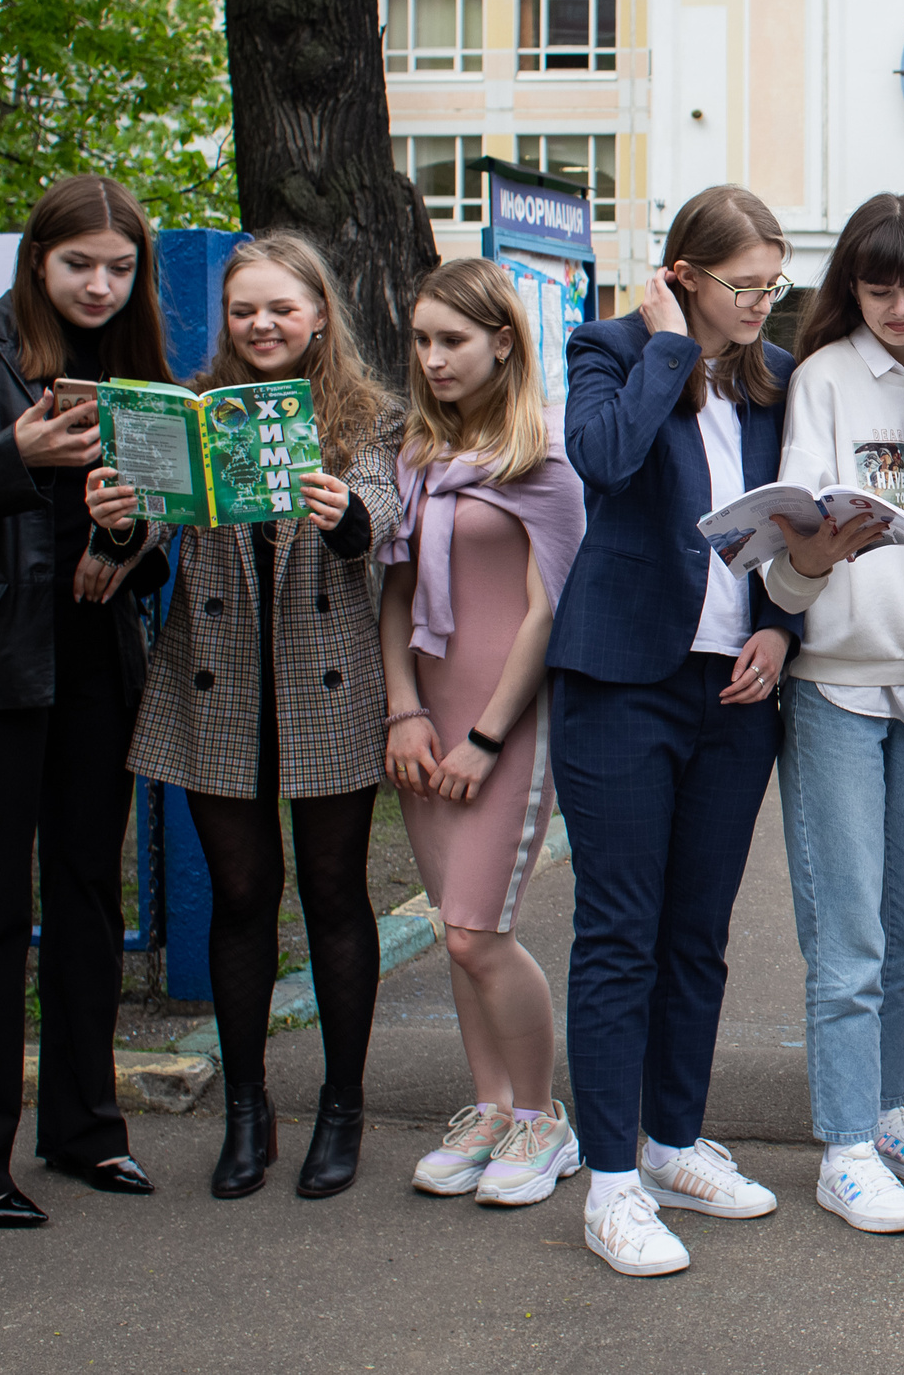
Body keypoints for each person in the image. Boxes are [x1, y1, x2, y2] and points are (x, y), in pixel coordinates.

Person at [0, 173, 175, 1227]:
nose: (99, 286)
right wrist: (13, 453)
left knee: (90, 900)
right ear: (37, 260)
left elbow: (153, 542)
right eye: (78, 265)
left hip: (95, 663)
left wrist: (126, 537)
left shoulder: (143, 376)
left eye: (118, 268)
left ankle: (85, 1134)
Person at [87, 234, 400, 1201]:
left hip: (329, 685)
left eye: (281, 308)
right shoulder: (187, 407)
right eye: (242, 310)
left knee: (337, 897)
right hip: (214, 684)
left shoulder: (368, 416)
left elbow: (383, 519)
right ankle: (248, 1112)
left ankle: (341, 1109)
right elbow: (150, 529)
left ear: (319, 315)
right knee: (239, 898)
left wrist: (345, 509)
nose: (261, 325)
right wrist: (121, 516)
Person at [548, 185, 800, 1278]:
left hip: (734, 690)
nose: (760, 304)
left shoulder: (773, 377)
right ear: (683, 274)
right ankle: (609, 1183)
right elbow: (604, 462)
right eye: (743, 285)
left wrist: (783, 626)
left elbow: (795, 517)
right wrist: (664, 346)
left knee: (697, 933)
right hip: (620, 681)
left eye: (773, 286)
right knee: (619, 932)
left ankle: (674, 1140)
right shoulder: (607, 348)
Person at [760, 193, 904, 1234]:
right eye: (880, 285)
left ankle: (883, 1109)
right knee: (846, 936)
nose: (899, 304)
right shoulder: (824, 377)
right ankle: (844, 1144)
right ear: (851, 285)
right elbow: (795, 531)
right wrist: (812, 554)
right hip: (835, 686)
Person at [375, 260, 588, 1215]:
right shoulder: (415, 454)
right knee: (451, 935)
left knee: (477, 929)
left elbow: (547, 614)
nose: (432, 358)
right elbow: (391, 594)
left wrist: (486, 736)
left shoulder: (544, 462)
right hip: (424, 726)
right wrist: (405, 712)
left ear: (503, 341)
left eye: (451, 340)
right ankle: (489, 1108)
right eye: (421, 340)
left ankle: (545, 1121)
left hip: (504, 729)